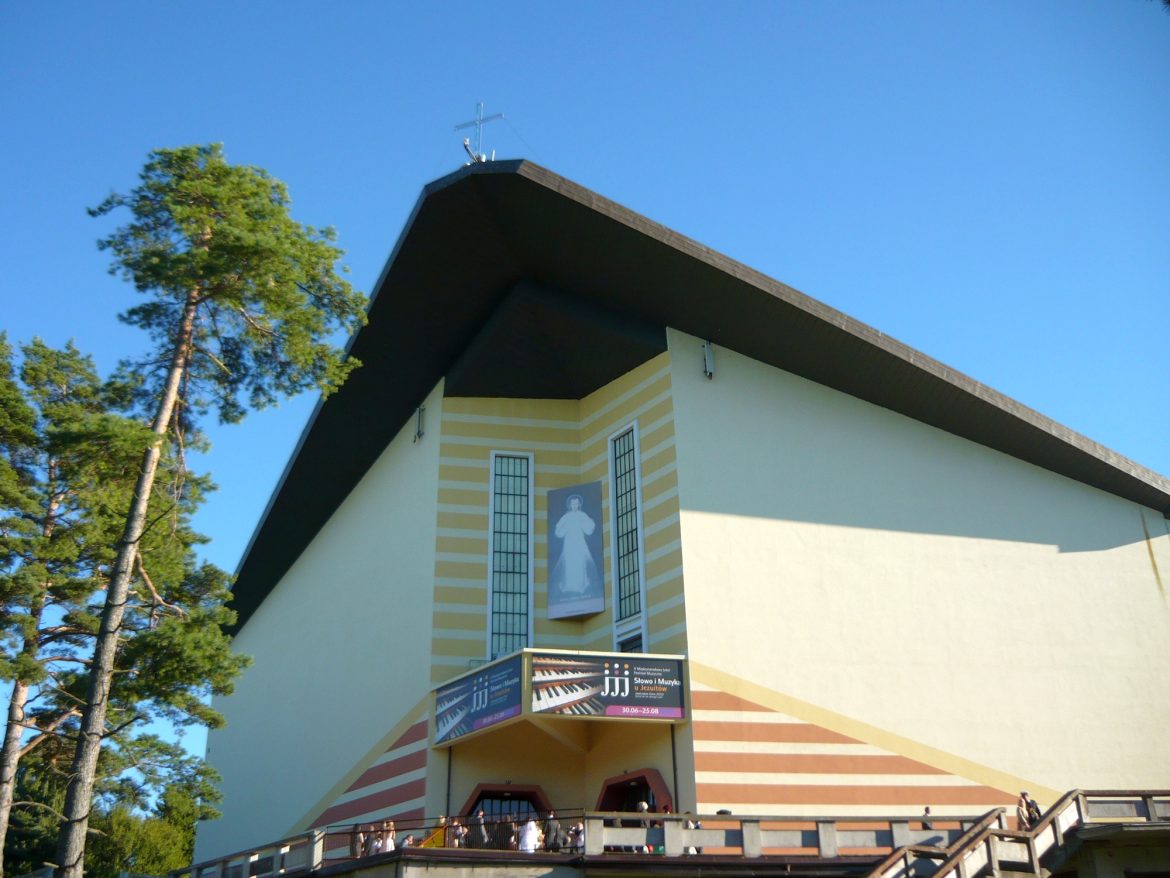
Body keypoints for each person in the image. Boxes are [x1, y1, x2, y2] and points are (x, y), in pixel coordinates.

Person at [550, 494, 600, 598]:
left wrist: (588, 523)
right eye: (573, 504)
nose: (574, 506)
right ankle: (569, 585)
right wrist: (564, 529)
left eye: (576, 504)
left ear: (579, 504)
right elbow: (559, 530)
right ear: (570, 505)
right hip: (569, 543)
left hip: (579, 542)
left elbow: (588, 529)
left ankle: (580, 585)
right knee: (569, 562)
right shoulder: (566, 517)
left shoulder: (582, 515)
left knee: (580, 562)